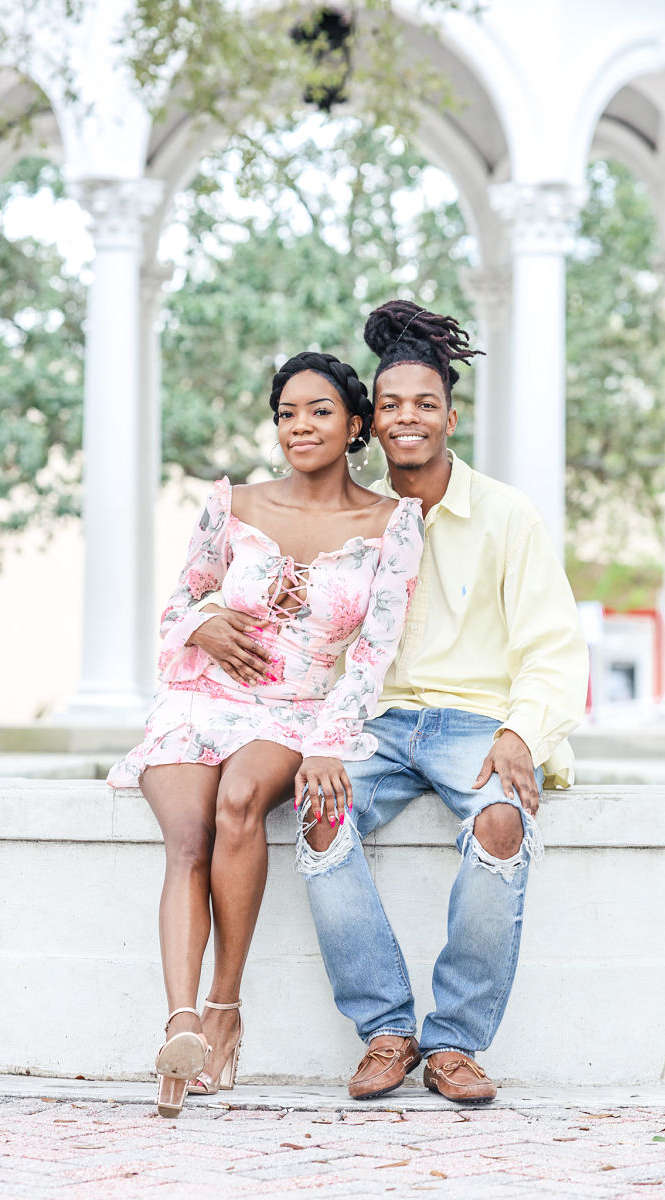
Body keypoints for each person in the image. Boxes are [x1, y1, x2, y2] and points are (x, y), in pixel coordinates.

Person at [107, 350, 423, 1118]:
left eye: (318, 411)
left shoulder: (392, 524)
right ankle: (180, 1025)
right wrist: (205, 624)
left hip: (296, 708)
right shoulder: (232, 504)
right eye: (287, 413)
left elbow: (374, 655)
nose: (299, 426)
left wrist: (329, 741)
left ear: (355, 425)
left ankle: (225, 1006)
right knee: (187, 839)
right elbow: (180, 600)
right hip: (199, 693)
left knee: (240, 803)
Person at [295, 300, 589, 1104]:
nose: (407, 417)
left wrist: (521, 733)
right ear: (369, 421)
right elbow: (312, 638)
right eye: (391, 405)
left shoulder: (505, 515)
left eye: (425, 403)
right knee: (318, 814)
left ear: (451, 417)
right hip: (377, 724)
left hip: (477, 722)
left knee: (500, 822)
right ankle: (388, 1031)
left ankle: (454, 1043)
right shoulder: (355, 518)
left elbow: (555, 648)